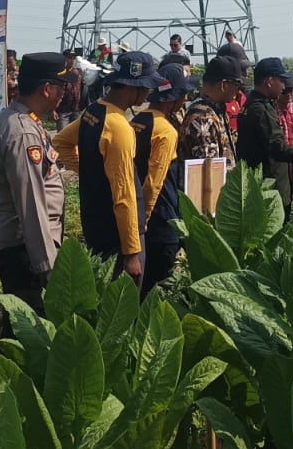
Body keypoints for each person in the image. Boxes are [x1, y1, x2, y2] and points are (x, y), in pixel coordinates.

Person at [0, 53, 75, 311]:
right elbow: (31, 202)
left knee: (19, 323)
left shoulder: (13, 119)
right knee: (26, 327)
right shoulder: (24, 132)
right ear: (47, 89)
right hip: (23, 247)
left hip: (23, 245)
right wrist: (46, 265)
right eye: (62, 87)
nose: (63, 94)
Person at [69, 51, 164, 282]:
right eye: (147, 87)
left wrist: (90, 172)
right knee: (122, 308)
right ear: (133, 88)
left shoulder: (93, 111)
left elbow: (61, 142)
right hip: (119, 236)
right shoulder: (119, 126)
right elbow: (124, 196)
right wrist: (132, 252)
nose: (149, 93)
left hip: (95, 222)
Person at [134, 72, 194, 292]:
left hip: (139, 214)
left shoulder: (137, 121)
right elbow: (154, 182)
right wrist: (144, 219)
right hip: (160, 221)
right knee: (156, 288)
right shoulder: (166, 131)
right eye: (184, 94)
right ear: (173, 98)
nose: (186, 99)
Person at [238, 57, 293, 207]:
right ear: (269, 81)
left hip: (261, 186)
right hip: (272, 189)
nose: (284, 87)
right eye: (281, 81)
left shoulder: (249, 105)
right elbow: (279, 149)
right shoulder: (262, 110)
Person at [177, 56, 243, 162]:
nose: (239, 91)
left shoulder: (217, 110)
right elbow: (208, 170)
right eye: (237, 85)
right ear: (224, 85)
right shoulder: (202, 118)